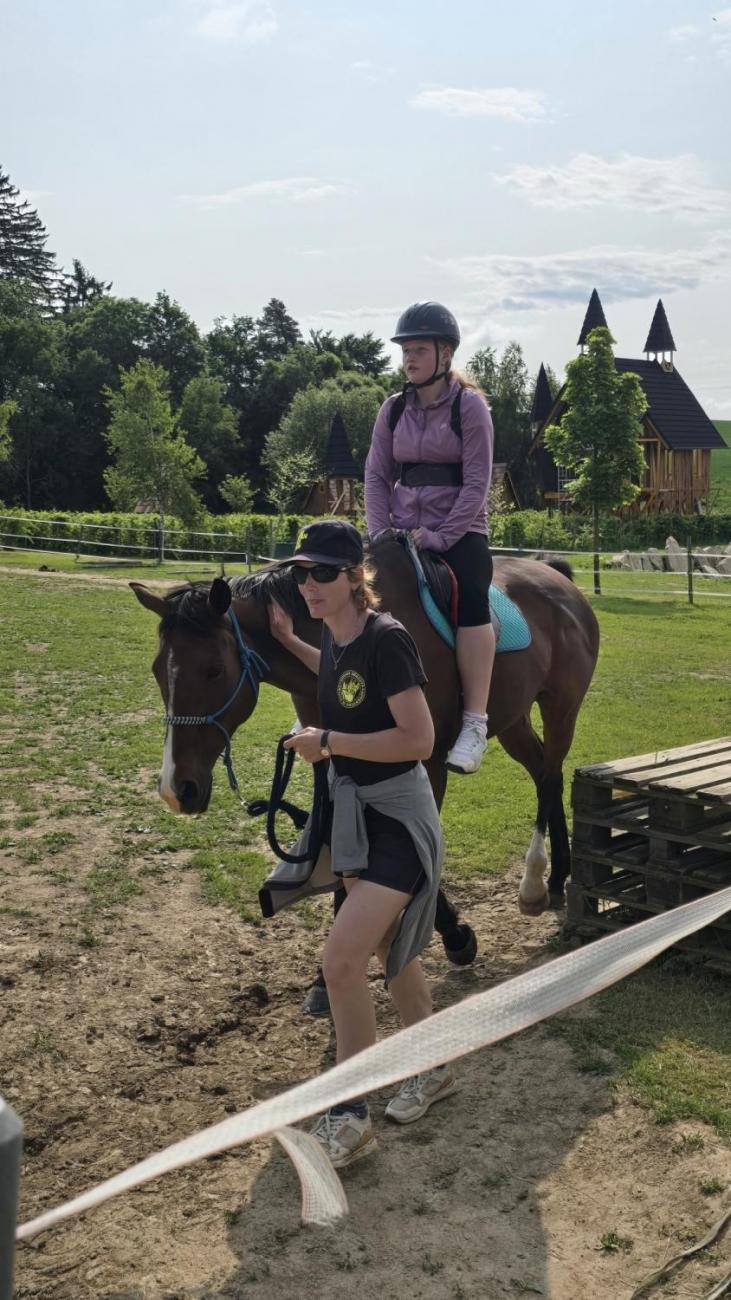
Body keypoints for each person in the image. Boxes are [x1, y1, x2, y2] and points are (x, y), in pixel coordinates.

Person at [268, 519, 455, 1169]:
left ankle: (350, 1115)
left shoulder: (387, 638)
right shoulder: (337, 635)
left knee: (341, 962)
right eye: (301, 573)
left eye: (322, 573)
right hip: (358, 819)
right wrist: (289, 640)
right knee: (385, 945)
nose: (309, 584)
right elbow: (338, 674)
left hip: (397, 821)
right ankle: (433, 1064)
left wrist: (329, 742)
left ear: (354, 576)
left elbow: (419, 741)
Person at [365, 301, 496, 774]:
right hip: (398, 533)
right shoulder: (393, 409)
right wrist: (379, 532)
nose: (409, 359)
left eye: (419, 350)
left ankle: (474, 722)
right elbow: (376, 475)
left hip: (460, 533)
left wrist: (442, 536)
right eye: (405, 351)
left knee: (473, 597)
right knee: (346, 591)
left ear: (445, 354)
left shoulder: (470, 408)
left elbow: (477, 483)